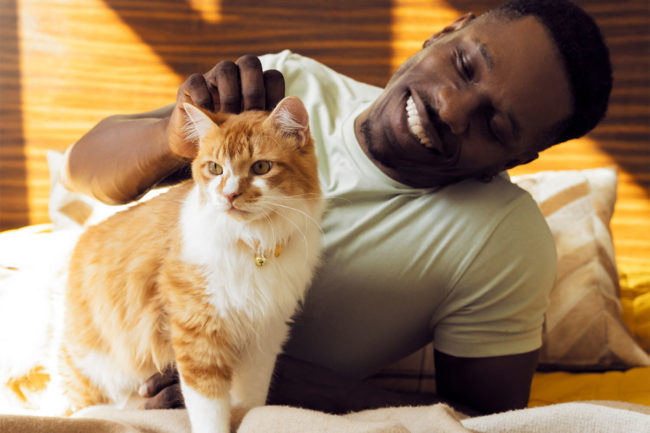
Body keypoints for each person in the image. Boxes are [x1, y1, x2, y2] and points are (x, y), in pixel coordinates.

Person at [61, 0, 612, 416]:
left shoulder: (505, 239)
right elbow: (82, 169)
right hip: (113, 349)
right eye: (465, 65)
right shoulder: (286, 89)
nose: (450, 106)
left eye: (496, 124)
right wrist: (175, 137)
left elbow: (480, 424)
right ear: (445, 31)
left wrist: (283, 384)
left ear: (520, 156)